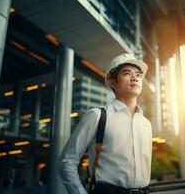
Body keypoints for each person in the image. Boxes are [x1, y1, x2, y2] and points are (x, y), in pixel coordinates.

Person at [58, 53, 152, 194]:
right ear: (113, 83)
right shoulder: (97, 116)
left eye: (138, 75)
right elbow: (67, 161)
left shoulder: (146, 124)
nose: (135, 78)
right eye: (127, 74)